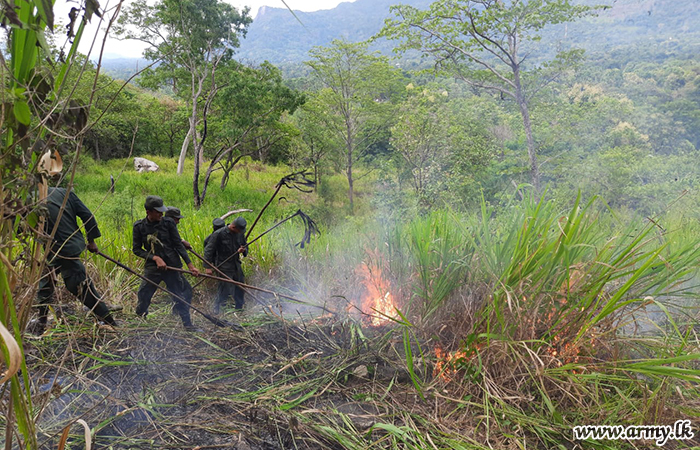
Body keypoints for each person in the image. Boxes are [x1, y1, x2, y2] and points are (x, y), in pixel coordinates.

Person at [35, 186, 117, 333]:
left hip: (62, 249)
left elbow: (19, 229)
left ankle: (110, 321)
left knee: (81, 287)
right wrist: (91, 241)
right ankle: (41, 323)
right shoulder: (64, 192)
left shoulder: (30, 198)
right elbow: (88, 216)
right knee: (46, 282)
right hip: (64, 247)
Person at [132, 196, 201, 331]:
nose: (161, 214)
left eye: (162, 211)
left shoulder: (168, 223)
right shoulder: (139, 227)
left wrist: (190, 265)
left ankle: (188, 325)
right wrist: (155, 258)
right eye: (158, 212)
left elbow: (178, 245)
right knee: (144, 293)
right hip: (153, 267)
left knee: (178, 295)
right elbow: (137, 250)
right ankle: (141, 320)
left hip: (172, 265)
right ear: (148, 212)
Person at [203, 217, 248, 313]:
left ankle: (239, 308)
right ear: (233, 227)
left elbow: (245, 245)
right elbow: (208, 250)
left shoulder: (240, 234)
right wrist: (207, 267)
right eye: (239, 230)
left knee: (240, 285)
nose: (241, 232)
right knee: (225, 288)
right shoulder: (219, 234)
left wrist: (243, 250)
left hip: (236, 264)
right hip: (223, 265)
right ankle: (217, 309)